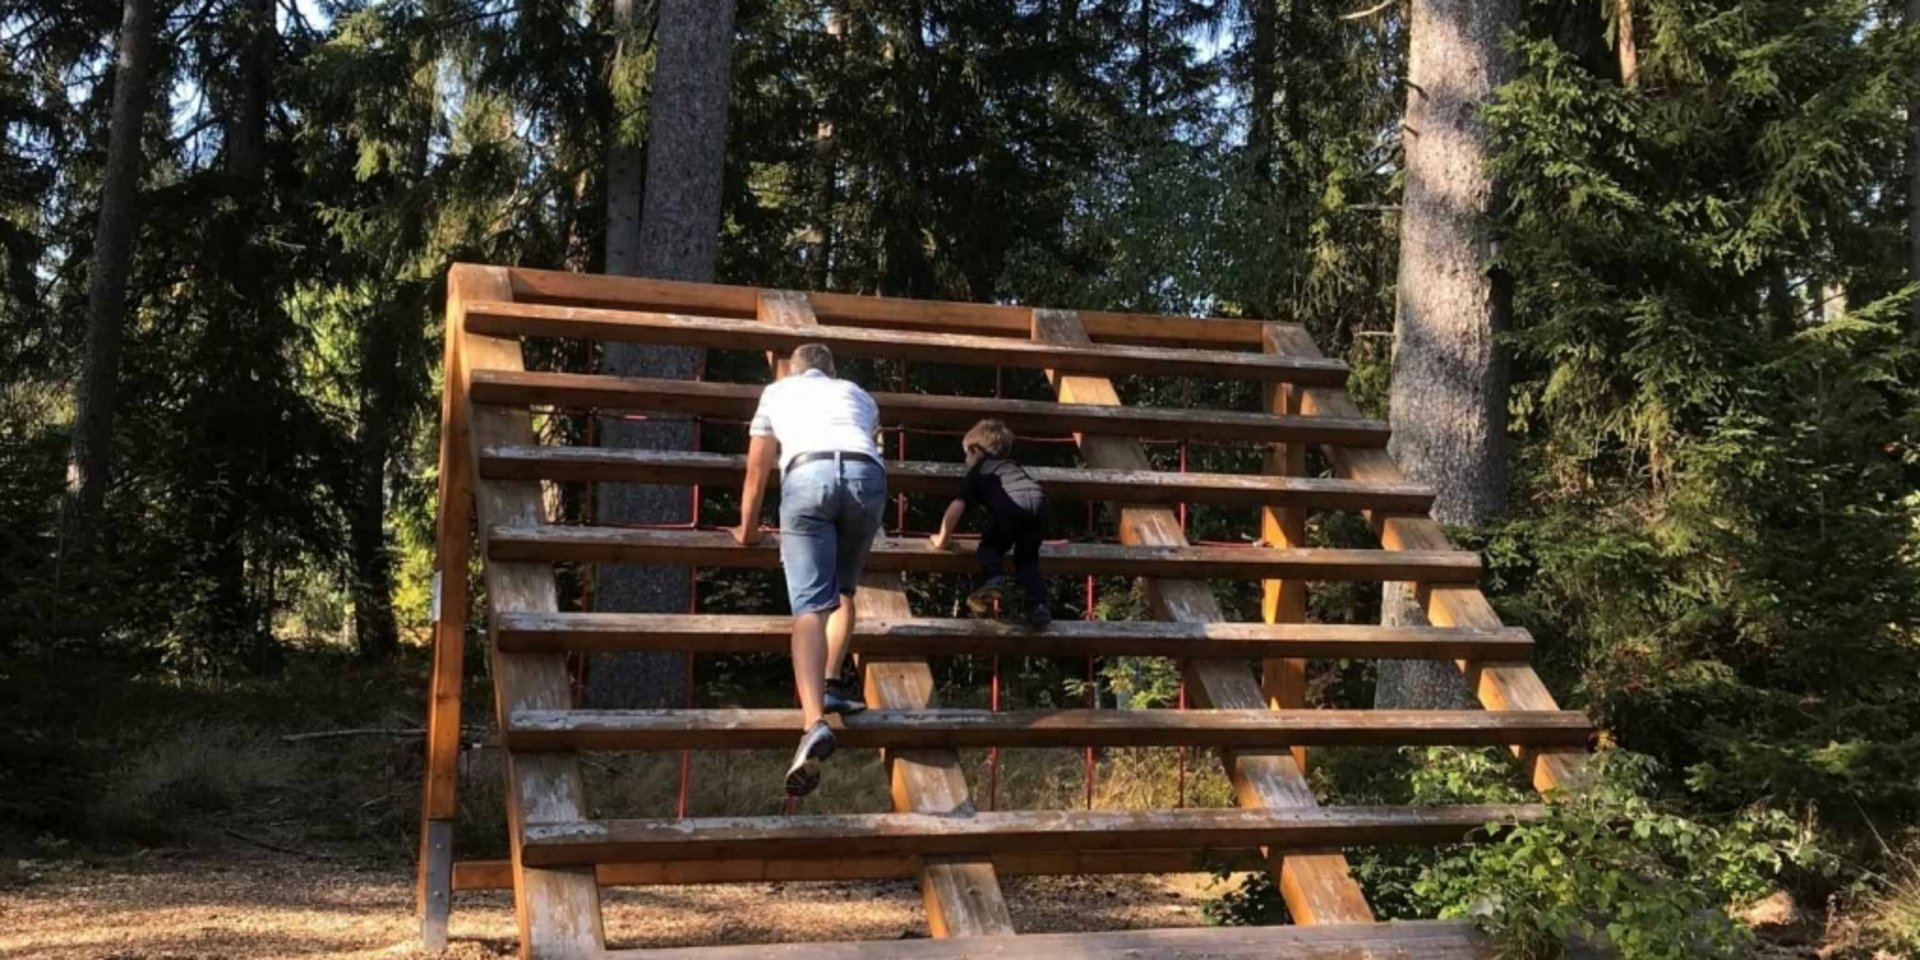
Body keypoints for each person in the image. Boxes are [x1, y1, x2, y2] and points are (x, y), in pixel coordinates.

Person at [728, 343, 886, 798]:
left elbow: (757, 468)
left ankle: (813, 720)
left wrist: (748, 529)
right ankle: (833, 681)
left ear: (794, 371)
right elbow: (868, 440)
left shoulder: (777, 392)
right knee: (844, 590)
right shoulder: (857, 393)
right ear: (832, 370)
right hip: (867, 476)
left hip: (808, 475)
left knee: (809, 609)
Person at [929, 419, 1051, 629]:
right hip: (1041, 504)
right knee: (1027, 559)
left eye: (966, 454)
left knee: (989, 548)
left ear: (975, 450)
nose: (966, 460)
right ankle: (1038, 606)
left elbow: (957, 506)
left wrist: (942, 539)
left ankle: (994, 579)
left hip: (1011, 507)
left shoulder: (980, 470)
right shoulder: (1012, 467)